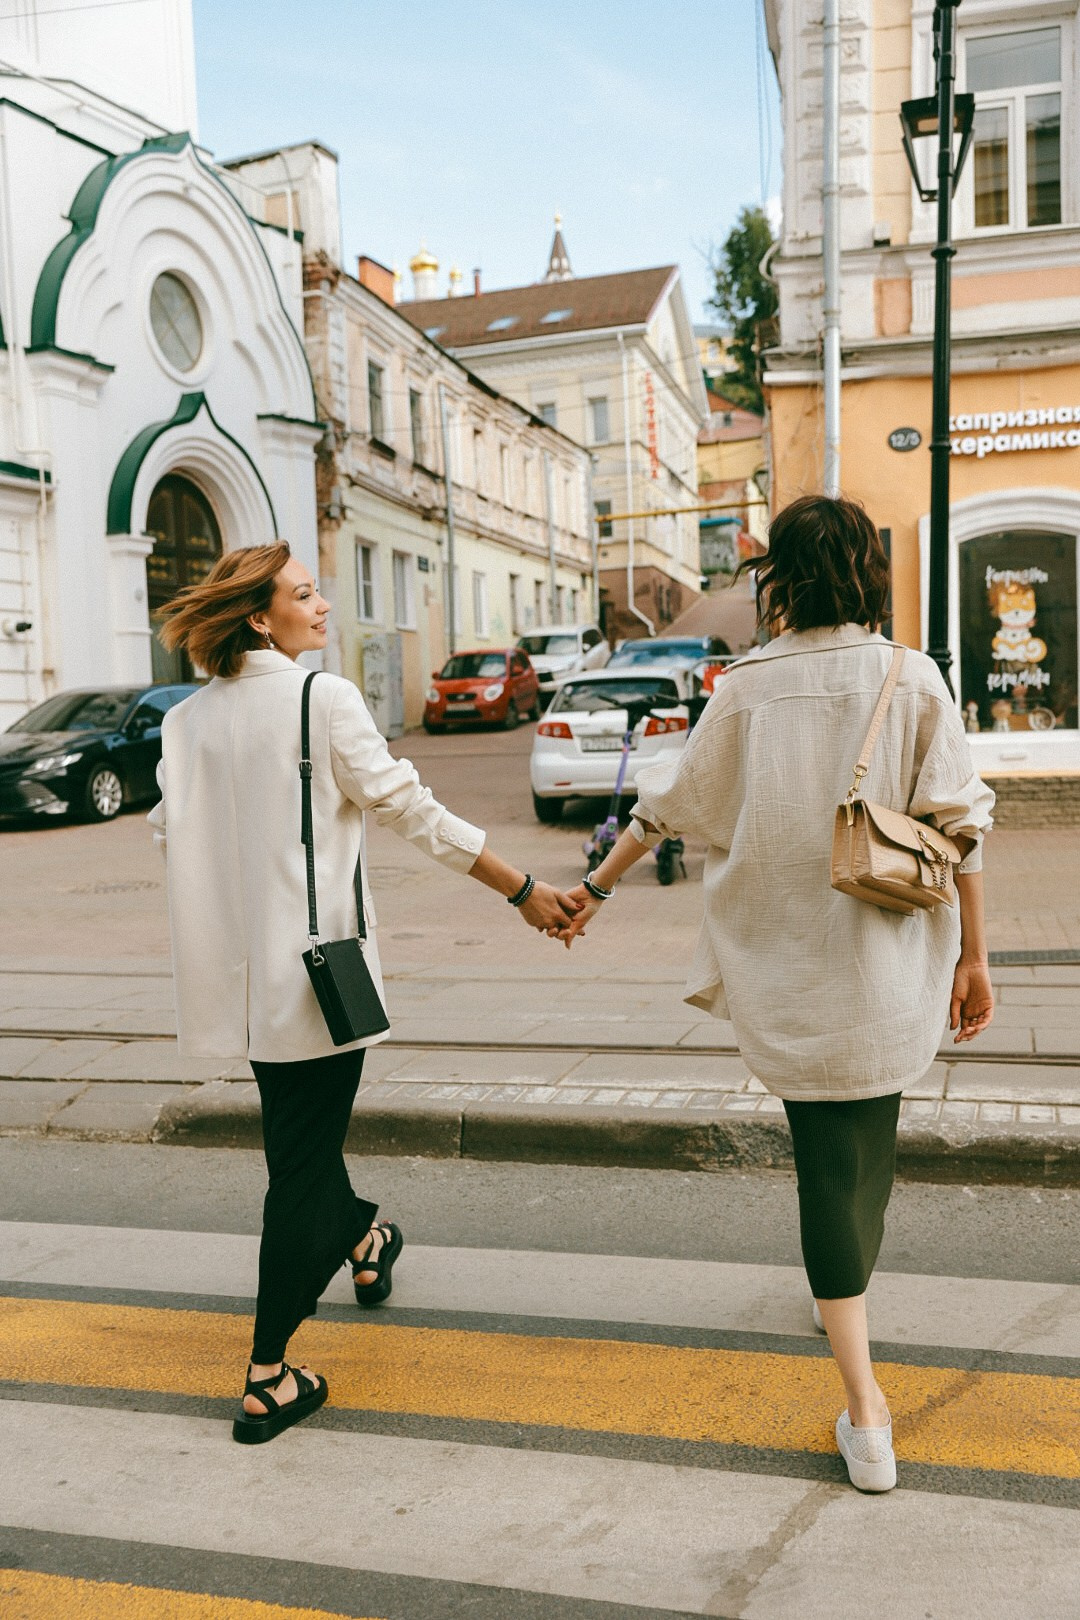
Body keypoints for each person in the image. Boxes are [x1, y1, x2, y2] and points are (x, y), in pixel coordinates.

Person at [562, 495, 995, 1493]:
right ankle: (865, 1400)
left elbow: (668, 807)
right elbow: (963, 824)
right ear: (867, 572)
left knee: (828, 1164)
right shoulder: (912, 675)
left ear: (782, 575)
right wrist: (977, 958)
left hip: (788, 964)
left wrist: (591, 887)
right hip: (890, 960)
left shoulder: (747, 686)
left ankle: (854, 1366)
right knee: (864, 1153)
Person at [148, 542, 578, 1444]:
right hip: (319, 982)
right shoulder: (320, 699)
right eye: (304, 594)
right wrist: (524, 890)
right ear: (260, 617)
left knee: (299, 1141)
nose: (323, 605)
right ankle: (268, 1375)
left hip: (246, 985)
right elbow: (411, 808)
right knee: (297, 1168)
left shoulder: (184, 723)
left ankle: (366, 1242)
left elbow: (170, 836)